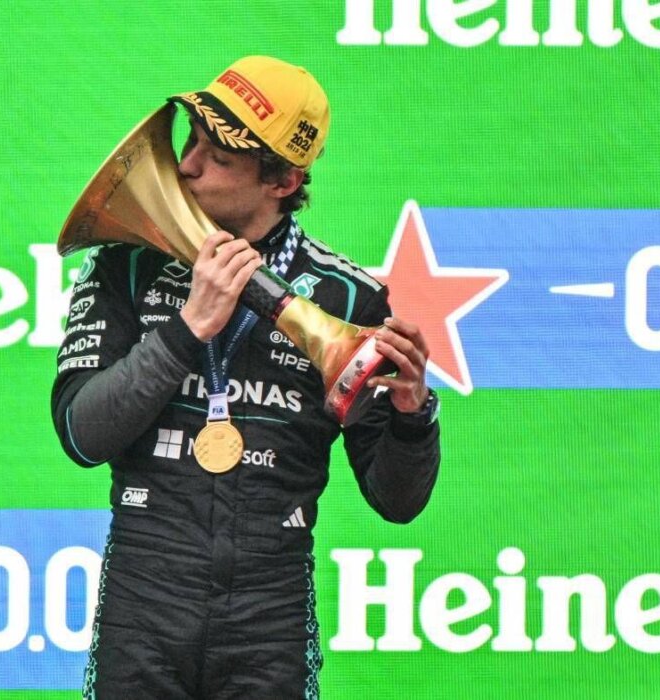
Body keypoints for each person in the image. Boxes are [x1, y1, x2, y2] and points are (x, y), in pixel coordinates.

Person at [51, 56, 440, 700]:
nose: (186, 166)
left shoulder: (348, 301)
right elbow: (80, 435)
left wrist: (412, 415)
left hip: (270, 614)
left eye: (219, 157)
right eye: (191, 142)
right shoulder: (124, 267)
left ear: (283, 180)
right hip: (144, 599)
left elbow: (397, 503)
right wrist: (188, 329)